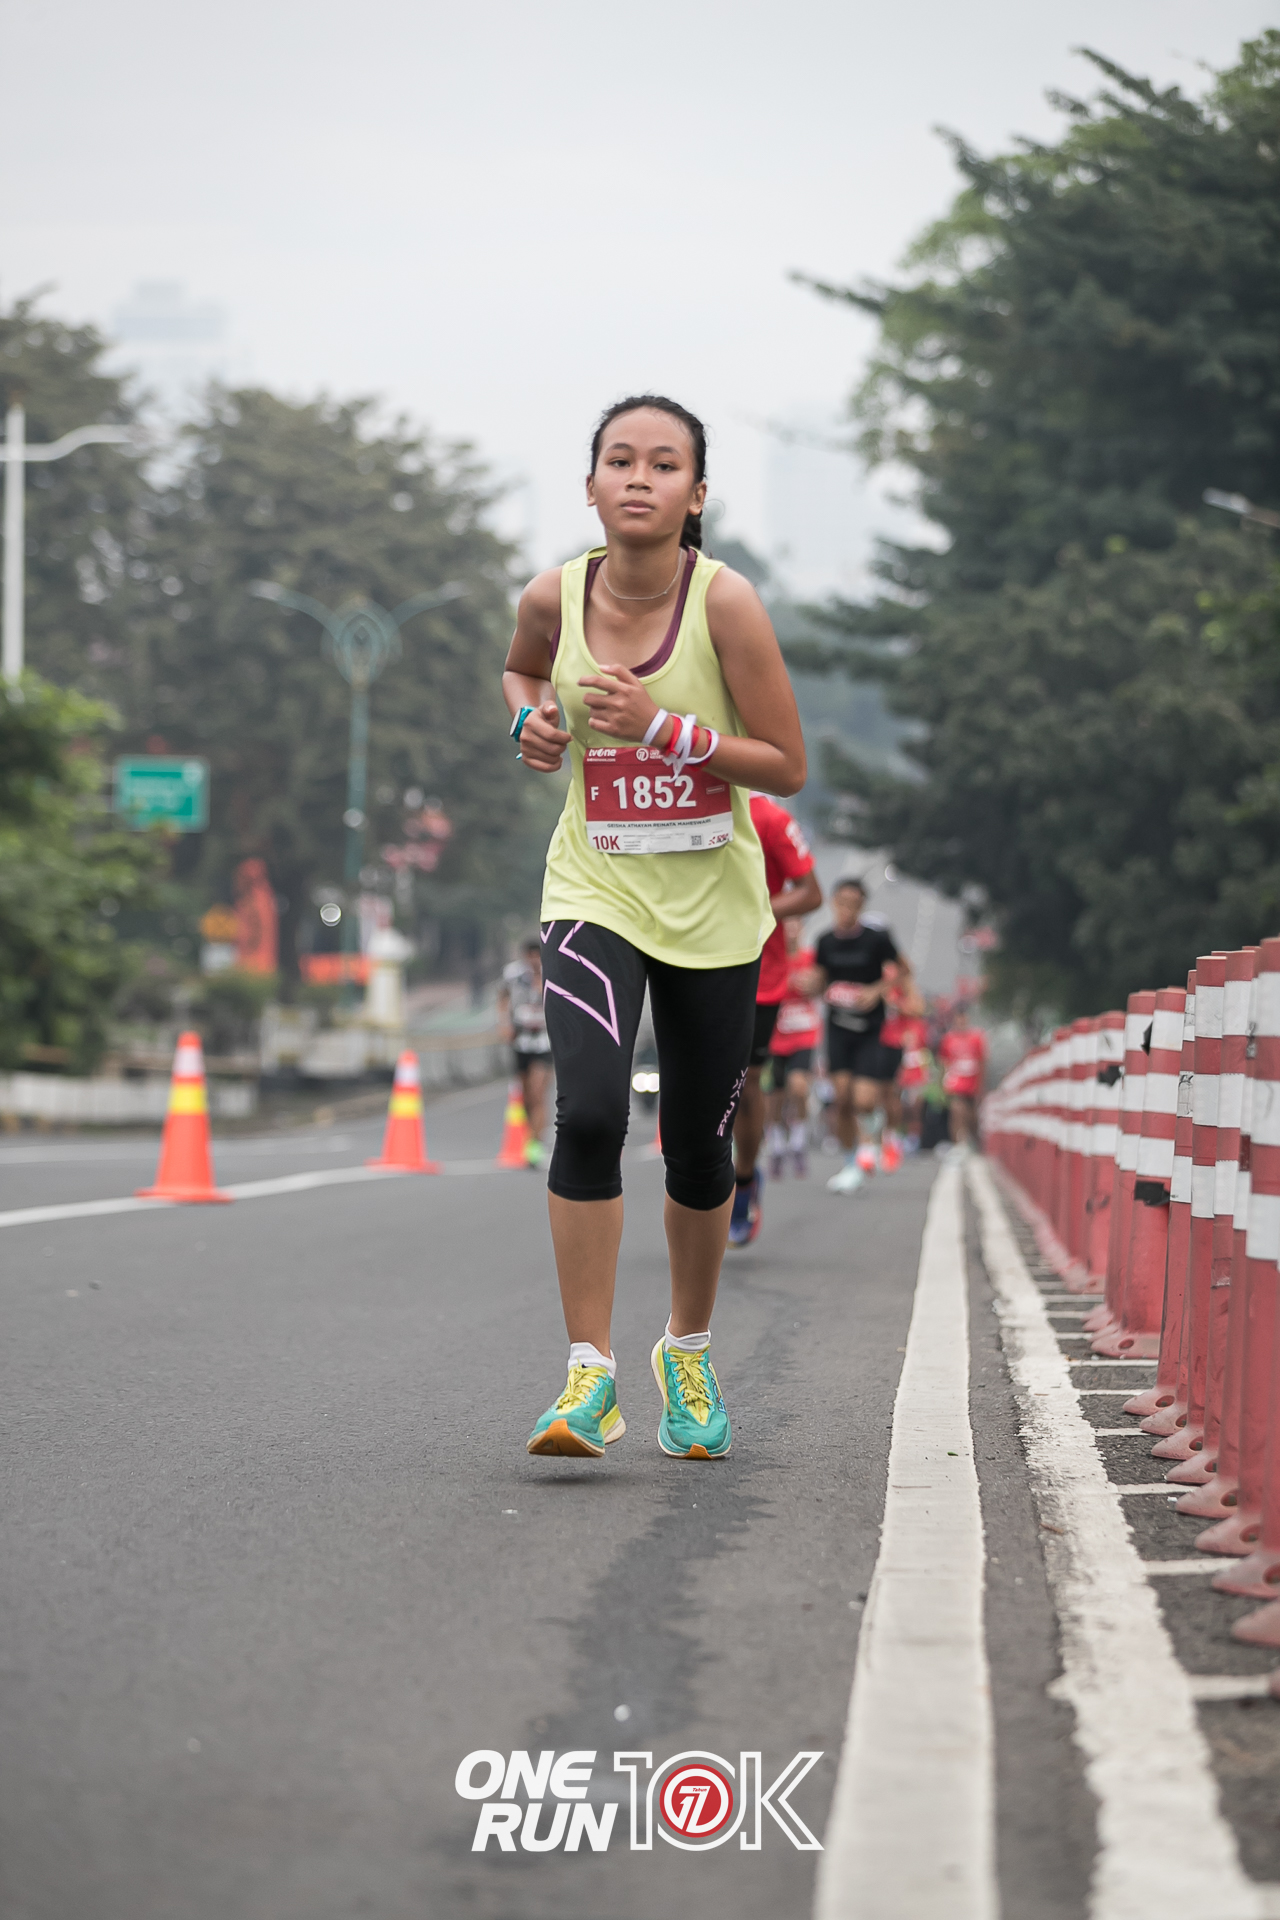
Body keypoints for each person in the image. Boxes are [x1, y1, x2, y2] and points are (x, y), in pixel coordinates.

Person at [501, 393, 806, 1461]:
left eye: (664, 463)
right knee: (588, 1114)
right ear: (589, 486)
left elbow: (785, 763)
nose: (639, 477)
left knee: (696, 1147)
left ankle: (686, 1348)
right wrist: (530, 720)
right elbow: (522, 667)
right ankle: (588, 1374)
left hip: (713, 911)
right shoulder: (552, 594)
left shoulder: (727, 606)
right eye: (619, 460)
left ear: (696, 494)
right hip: (595, 886)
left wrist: (668, 730)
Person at [727, 794, 821, 1245]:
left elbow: (811, 892)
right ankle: (701, 1186)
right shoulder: (672, 798)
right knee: (695, 1086)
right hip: (684, 966)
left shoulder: (767, 816)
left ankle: (744, 1180)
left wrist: (755, 909)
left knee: (745, 1087)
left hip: (758, 974)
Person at [807, 877, 913, 1196]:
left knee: (864, 1099)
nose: (846, 910)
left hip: (869, 1029)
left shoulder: (876, 940)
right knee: (842, 1099)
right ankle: (851, 1162)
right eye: (841, 903)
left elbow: (904, 970)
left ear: (862, 906)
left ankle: (875, 1127)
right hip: (838, 1028)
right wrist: (811, 985)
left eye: (853, 905)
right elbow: (820, 979)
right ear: (833, 904)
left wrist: (876, 991)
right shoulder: (825, 941)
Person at [765, 915, 822, 1178]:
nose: (790, 931)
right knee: (774, 1095)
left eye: (795, 925)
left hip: (803, 1034)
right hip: (775, 1038)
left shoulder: (811, 959)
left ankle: (798, 1140)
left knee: (798, 1087)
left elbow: (824, 985)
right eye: (785, 925)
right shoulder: (771, 959)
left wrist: (815, 984)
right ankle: (777, 1144)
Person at [496, 937, 552, 1167]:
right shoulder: (513, 975)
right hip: (521, 1040)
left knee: (538, 1093)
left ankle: (537, 1144)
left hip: (545, 1042)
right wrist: (504, 1023)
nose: (534, 961)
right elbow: (502, 997)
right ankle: (531, 1137)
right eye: (530, 956)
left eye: (537, 956)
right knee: (526, 1097)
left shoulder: (553, 973)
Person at [938, 1004, 987, 1155]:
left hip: (971, 1084)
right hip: (955, 1083)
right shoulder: (948, 1039)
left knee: (972, 1117)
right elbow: (944, 1063)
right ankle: (958, 1145)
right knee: (956, 1111)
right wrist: (942, 1084)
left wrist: (981, 1086)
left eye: (963, 1018)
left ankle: (976, 1145)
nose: (961, 1022)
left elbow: (982, 1063)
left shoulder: (977, 1038)